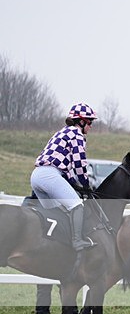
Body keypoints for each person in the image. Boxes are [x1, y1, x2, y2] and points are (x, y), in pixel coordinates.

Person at [31, 103, 98, 251]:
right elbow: (79, 164)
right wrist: (86, 185)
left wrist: (75, 184)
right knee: (76, 205)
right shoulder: (77, 135)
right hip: (50, 175)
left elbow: (66, 169)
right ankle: (77, 241)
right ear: (81, 121)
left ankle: (54, 246)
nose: (91, 126)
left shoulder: (61, 132)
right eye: (90, 122)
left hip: (36, 176)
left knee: (56, 214)